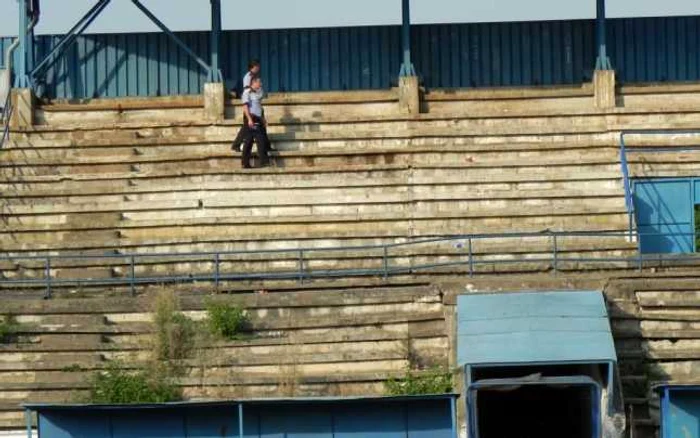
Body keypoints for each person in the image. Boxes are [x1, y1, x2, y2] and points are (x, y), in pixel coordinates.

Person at [240, 76, 271, 169]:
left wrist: (263, 119)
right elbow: (245, 107)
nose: (260, 84)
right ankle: (246, 163)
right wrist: (249, 119)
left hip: (258, 118)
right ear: (253, 83)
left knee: (260, 141)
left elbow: (258, 107)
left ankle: (262, 162)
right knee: (249, 142)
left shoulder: (258, 93)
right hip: (251, 118)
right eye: (259, 82)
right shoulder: (247, 93)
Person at [231, 59, 262, 152]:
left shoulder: (253, 76)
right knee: (246, 127)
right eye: (257, 66)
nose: (258, 68)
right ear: (253, 67)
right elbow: (247, 89)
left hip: (254, 105)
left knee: (260, 127)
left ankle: (266, 145)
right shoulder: (248, 77)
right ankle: (236, 144)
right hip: (250, 106)